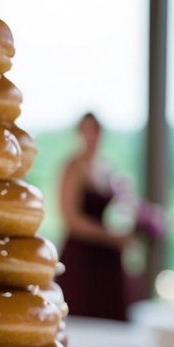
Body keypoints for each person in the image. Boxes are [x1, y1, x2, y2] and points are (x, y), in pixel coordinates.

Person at [57, 112, 132, 322]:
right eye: (87, 129)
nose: (92, 135)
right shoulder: (73, 167)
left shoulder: (107, 167)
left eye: (95, 129)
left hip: (106, 260)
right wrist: (108, 235)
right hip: (82, 260)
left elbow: (119, 208)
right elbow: (71, 218)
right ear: (79, 133)